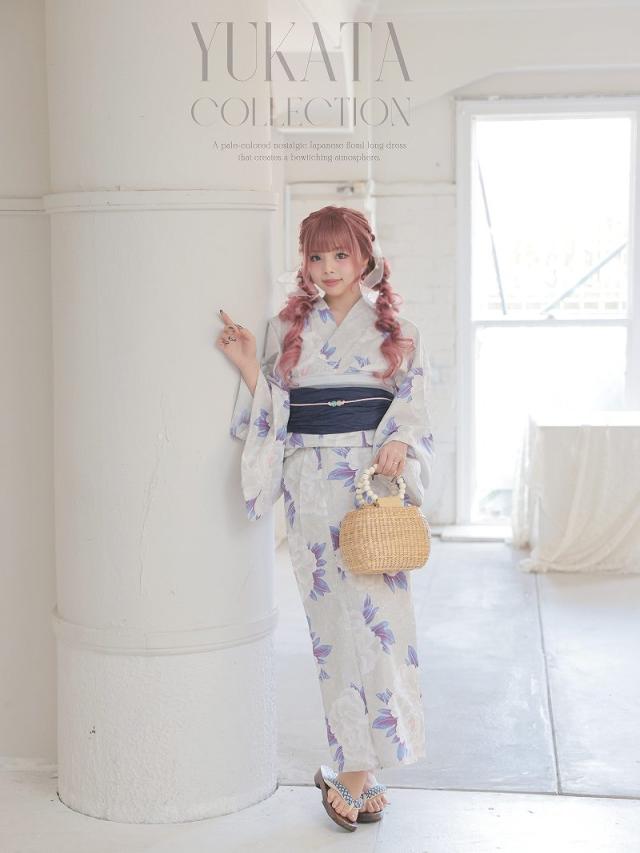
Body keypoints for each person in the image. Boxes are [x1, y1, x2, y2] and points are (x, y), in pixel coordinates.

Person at [216, 205, 435, 831]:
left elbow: (416, 407)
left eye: (341, 255)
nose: (328, 268)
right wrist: (248, 363)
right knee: (333, 631)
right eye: (316, 256)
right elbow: (276, 410)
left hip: (370, 486)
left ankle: (357, 772)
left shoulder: (401, 332)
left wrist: (400, 441)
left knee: (381, 628)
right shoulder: (286, 328)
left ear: (365, 257)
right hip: (311, 486)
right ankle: (360, 773)